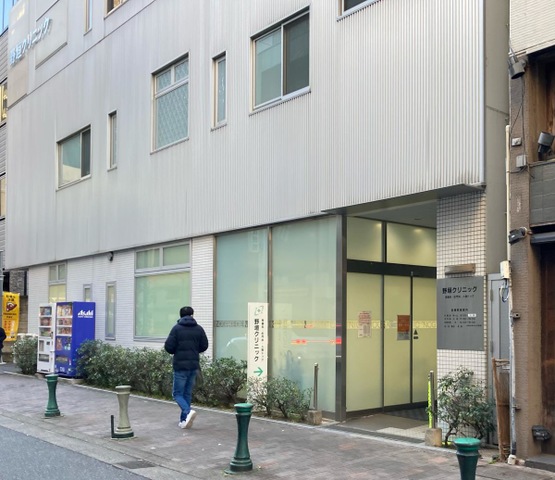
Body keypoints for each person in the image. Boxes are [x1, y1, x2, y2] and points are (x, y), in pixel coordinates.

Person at [164, 306, 208, 429]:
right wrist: (194, 350)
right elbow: (204, 345)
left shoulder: (176, 329)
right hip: (193, 365)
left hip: (180, 366)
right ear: (192, 315)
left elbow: (169, 347)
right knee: (187, 393)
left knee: (177, 394)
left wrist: (178, 350)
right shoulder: (199, 329)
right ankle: (184, 420)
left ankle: (187, 412)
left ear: (181, 315)